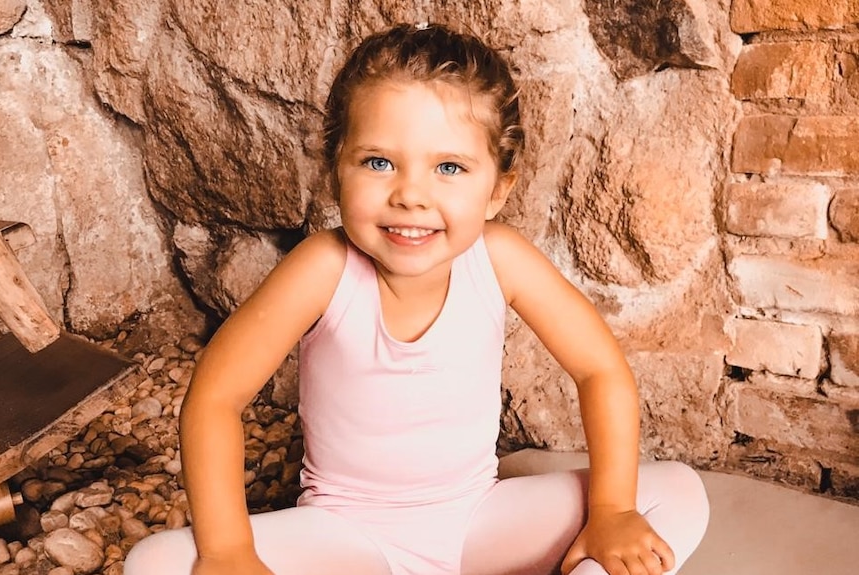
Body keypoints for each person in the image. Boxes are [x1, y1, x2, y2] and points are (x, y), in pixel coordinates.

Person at [124, 22, 709, 575]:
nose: (410, 195)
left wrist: (609, 511)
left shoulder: (500, 260)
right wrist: (228, 550)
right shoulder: (323, 269)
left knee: (676, 491)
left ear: (497, 190)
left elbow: (600, 368)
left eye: (449, 167)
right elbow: (215, 397)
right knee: (155, 563)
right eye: (379, 163)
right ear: (336, 173)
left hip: (479, 522)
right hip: (347, 537)